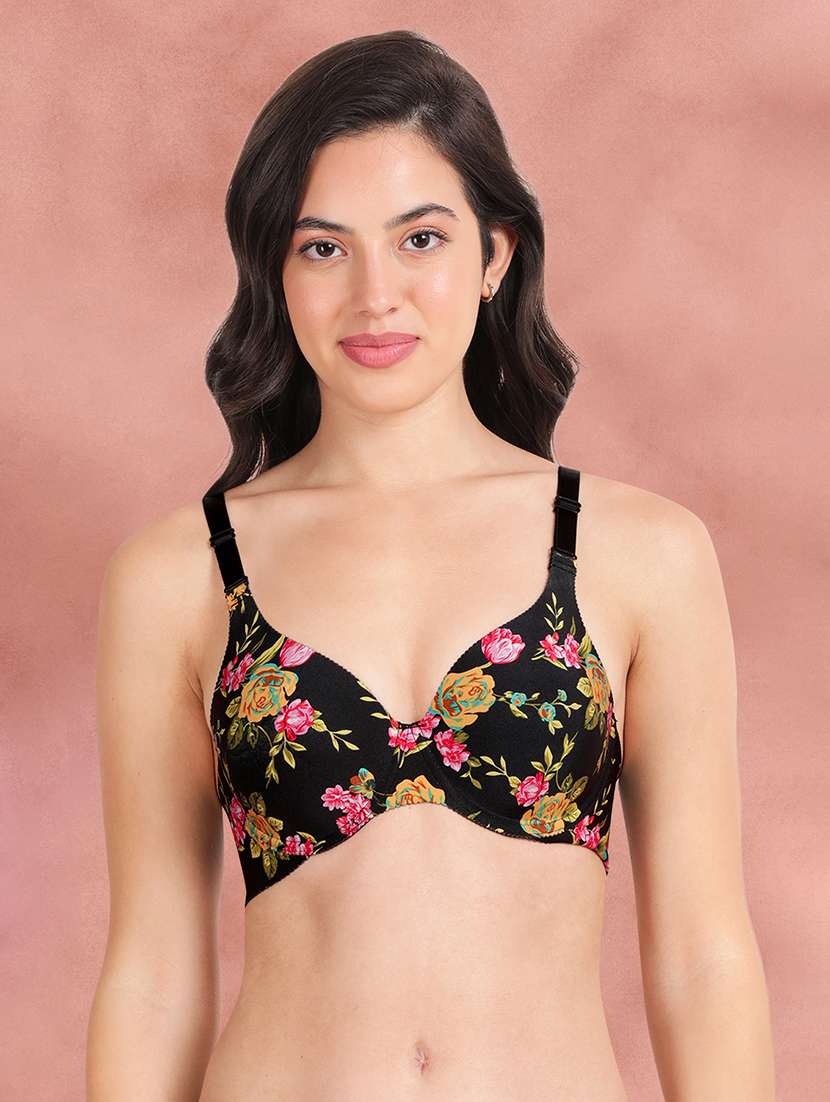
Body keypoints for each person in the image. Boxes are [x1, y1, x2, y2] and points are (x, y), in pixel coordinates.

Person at [86, 29, 775, 1102]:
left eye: (419, 239)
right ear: (274, 269)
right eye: (323, 248)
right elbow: (153, 979)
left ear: (495, 255)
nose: (376, 296)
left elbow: (702, 959)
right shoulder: (178, 575)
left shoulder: (639, 553)